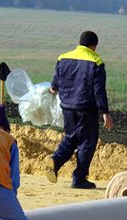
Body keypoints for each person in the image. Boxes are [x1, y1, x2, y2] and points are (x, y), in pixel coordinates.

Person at [45, 30, 114, 189]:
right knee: (87, 142)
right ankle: (79, 178)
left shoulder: (63, 57)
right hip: (86, 109)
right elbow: (99, 90)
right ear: (94, 46)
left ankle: (55, 161)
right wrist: (105, 112)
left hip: (67, 107)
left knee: (71, 137)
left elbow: (56, 83)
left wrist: (54, 88)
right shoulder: (96, 61)